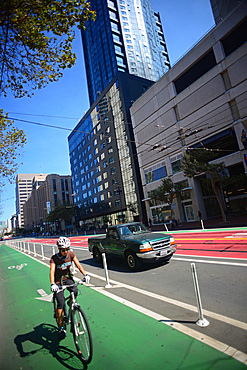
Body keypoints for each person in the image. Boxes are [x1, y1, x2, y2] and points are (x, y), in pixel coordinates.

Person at [50, 236, 90, 340]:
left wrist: (85, 275)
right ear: (59, 249)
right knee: (60, 303)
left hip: (67, 278)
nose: (66, 251)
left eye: (67, 249)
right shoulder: (54, 258)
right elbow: (52, 272)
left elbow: (78, 265)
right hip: (58, 281)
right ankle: (61, 327)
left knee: (75, 290)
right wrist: (53, 284)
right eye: (63, 250)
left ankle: (71, 302)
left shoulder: (71, 255)